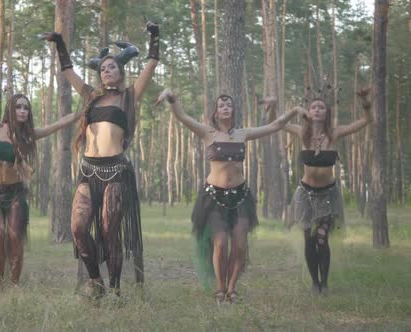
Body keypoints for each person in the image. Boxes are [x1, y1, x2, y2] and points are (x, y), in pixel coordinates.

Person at [41, 21, 160, 297]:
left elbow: (152, 63)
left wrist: (154, 35)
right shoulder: (91, 97)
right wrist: (59, 43)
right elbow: (68, 71)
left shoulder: (130, 95)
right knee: (78, 228)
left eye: (113, 67)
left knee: (109, 229)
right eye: (103, 68)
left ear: (121, 72)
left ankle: (116, 289)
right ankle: (96, 282)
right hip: (88, 170)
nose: (107, 70)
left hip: (116, 170)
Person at [157, 88, 303, 303]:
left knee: (240, 244)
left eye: (229, 105)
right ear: (215, 112)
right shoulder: (208, 133)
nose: (225, 108)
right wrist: (171, 97)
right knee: (221, 243)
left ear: (234, 110)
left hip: (240, 197)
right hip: (213, 197)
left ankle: (232, 289)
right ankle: (220, 288)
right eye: (221, 106)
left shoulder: (243, 134)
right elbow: (182, 116)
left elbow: (276, 125)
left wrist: (295, 111)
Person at [0, 92, 82, 288]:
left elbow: (60, 123)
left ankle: (14, 283)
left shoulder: (29, 134)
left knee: (14, 235)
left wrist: (84, 108)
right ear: (10, 109)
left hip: (15, 193)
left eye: (26, 108)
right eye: (19, 107)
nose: (22, 111)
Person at [285, 87, 372, 295]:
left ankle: (325, 284)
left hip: (328, 195)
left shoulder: (335, 134)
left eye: (321, 107)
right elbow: (277, 122)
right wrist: (274, 109)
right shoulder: (301, 133)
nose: (317, 109)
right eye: (313, 107)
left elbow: (365, 121)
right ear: (308, 111)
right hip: (305, 195)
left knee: (322, 238)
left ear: (327, 112)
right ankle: (315, 282)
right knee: (309, 238)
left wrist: (365, 102)